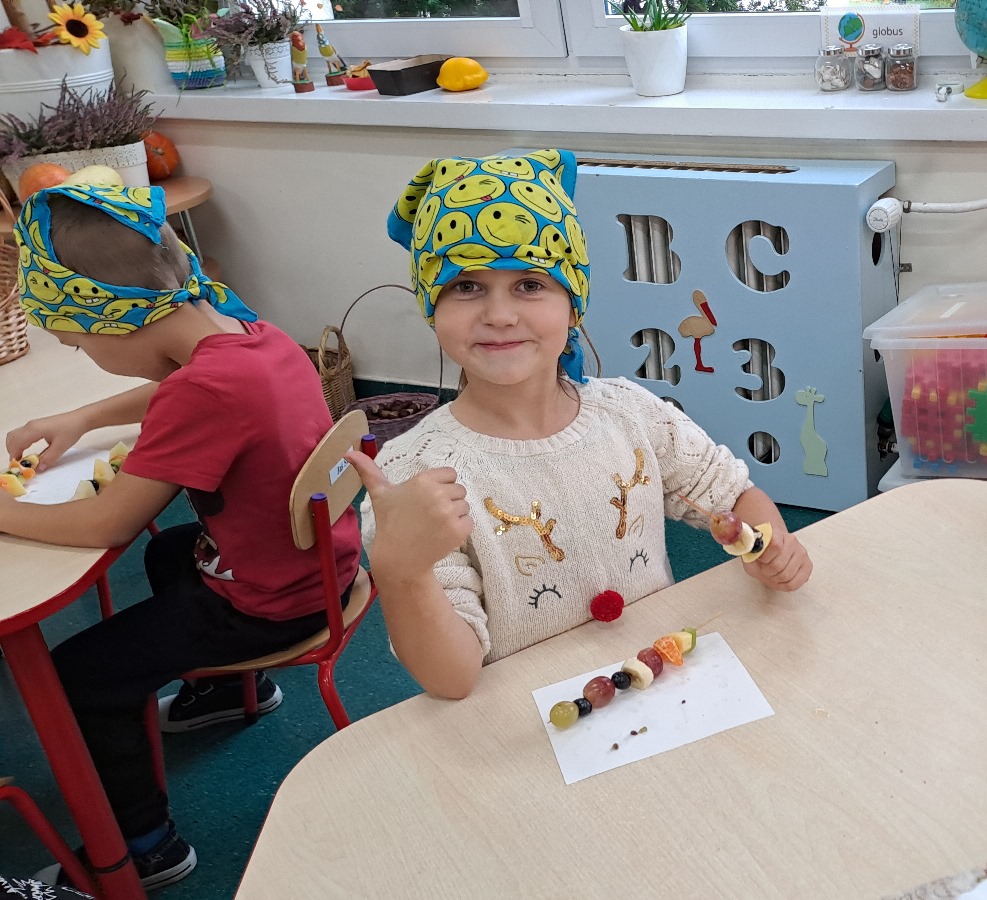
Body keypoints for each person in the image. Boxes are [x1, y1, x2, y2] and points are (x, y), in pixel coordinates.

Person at [349, 150, 812, 700]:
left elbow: (731, 494)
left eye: (529, 285)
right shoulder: (415, 476)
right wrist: (401, 570)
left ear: (573, 304)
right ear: (432, 307)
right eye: (466, 286)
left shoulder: (630, 412)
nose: (500, 315)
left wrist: (771, 548)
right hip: (531, 718)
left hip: (661, 688)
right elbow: (451, 678)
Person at [0, 185, 361, 889]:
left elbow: (106, 523)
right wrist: (81, 418)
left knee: (81, 672)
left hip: (274, 602)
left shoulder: (206, 392)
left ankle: (145, 847)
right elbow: (184, 385)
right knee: (171, 551)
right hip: (322, 563)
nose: (80, 352)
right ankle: (225, 694)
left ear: (111, 322)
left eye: (79, 343)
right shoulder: (252, 334)